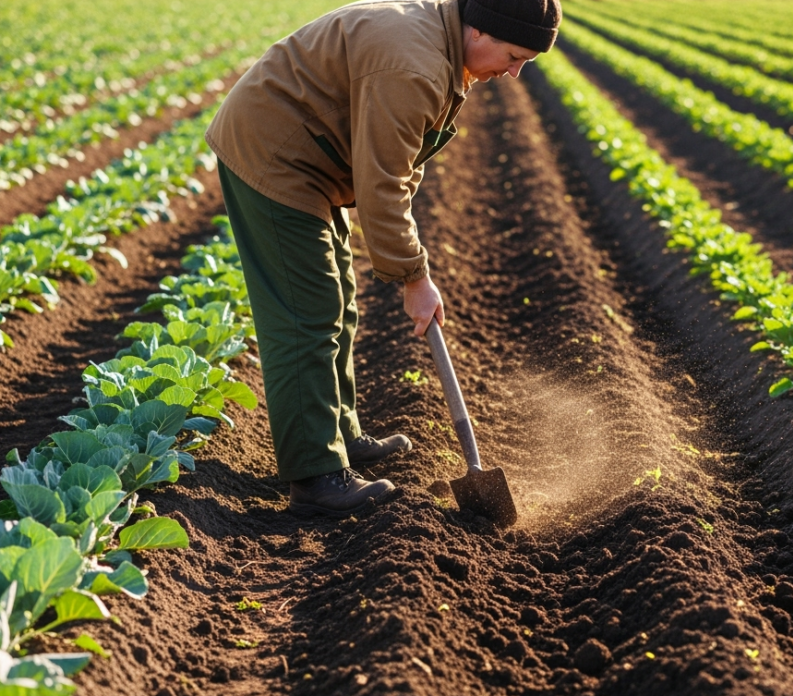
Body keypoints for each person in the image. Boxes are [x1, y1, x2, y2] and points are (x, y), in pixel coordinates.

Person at [205, 0, 561, 515]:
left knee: (340, 302)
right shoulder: (412, 64)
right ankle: (315, 477)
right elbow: (383, 185)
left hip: (312, 154)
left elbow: (402, 161)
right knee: (307, 314)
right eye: (513, 56)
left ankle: (340, 434)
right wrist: (415, 278)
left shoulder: (440, 47)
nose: (513, 73)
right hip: (275, 153)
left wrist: (413, 270)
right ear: (478, 29)